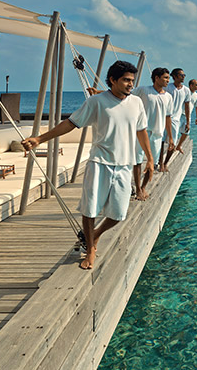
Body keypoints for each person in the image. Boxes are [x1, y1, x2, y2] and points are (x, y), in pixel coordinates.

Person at [22, 61, 153, 270]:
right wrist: (40, 139)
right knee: (90, 209)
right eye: (127, 80)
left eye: (132, 80)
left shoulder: (136, 103)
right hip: (100, 162)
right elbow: (70, 123)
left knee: (119, 214)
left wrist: (150, 158)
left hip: (125, 165)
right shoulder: (96, 102)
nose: (131, 84)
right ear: (113, 80)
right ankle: (90, 248)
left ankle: (95, 235)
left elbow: (142, 131)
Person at [133, 67, 173, 199]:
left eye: (168, 78)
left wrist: (171, 138)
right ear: (157, 78)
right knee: (137, 161)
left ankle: (143, 187)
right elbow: (124, 95)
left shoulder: (168, 97)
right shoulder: (144, 90)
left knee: (152, 164)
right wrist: (99, 92)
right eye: (165, 77)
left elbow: (168, 117)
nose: (168, 80)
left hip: (157, 134)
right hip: (141, 131)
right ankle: (138, 189)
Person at [163, 68, 191, 167]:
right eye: (181, 75)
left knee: (173, 143)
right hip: (163, 117)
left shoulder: (186, 90)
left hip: (175, 119)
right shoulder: (168, 87)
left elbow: (187, 106)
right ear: (174, 76)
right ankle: (159, 163)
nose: (183, 77)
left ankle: (165, 163)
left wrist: (188, 122)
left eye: (184, 75)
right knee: (161, 141)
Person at [175, 78, 197, 153]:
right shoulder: (185, 92)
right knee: (175, 130)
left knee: (186, 132)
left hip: (188, 116)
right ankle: (172, 145)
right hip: (180, 114)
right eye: (196, 85)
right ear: (191, 85)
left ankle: (179, 146)